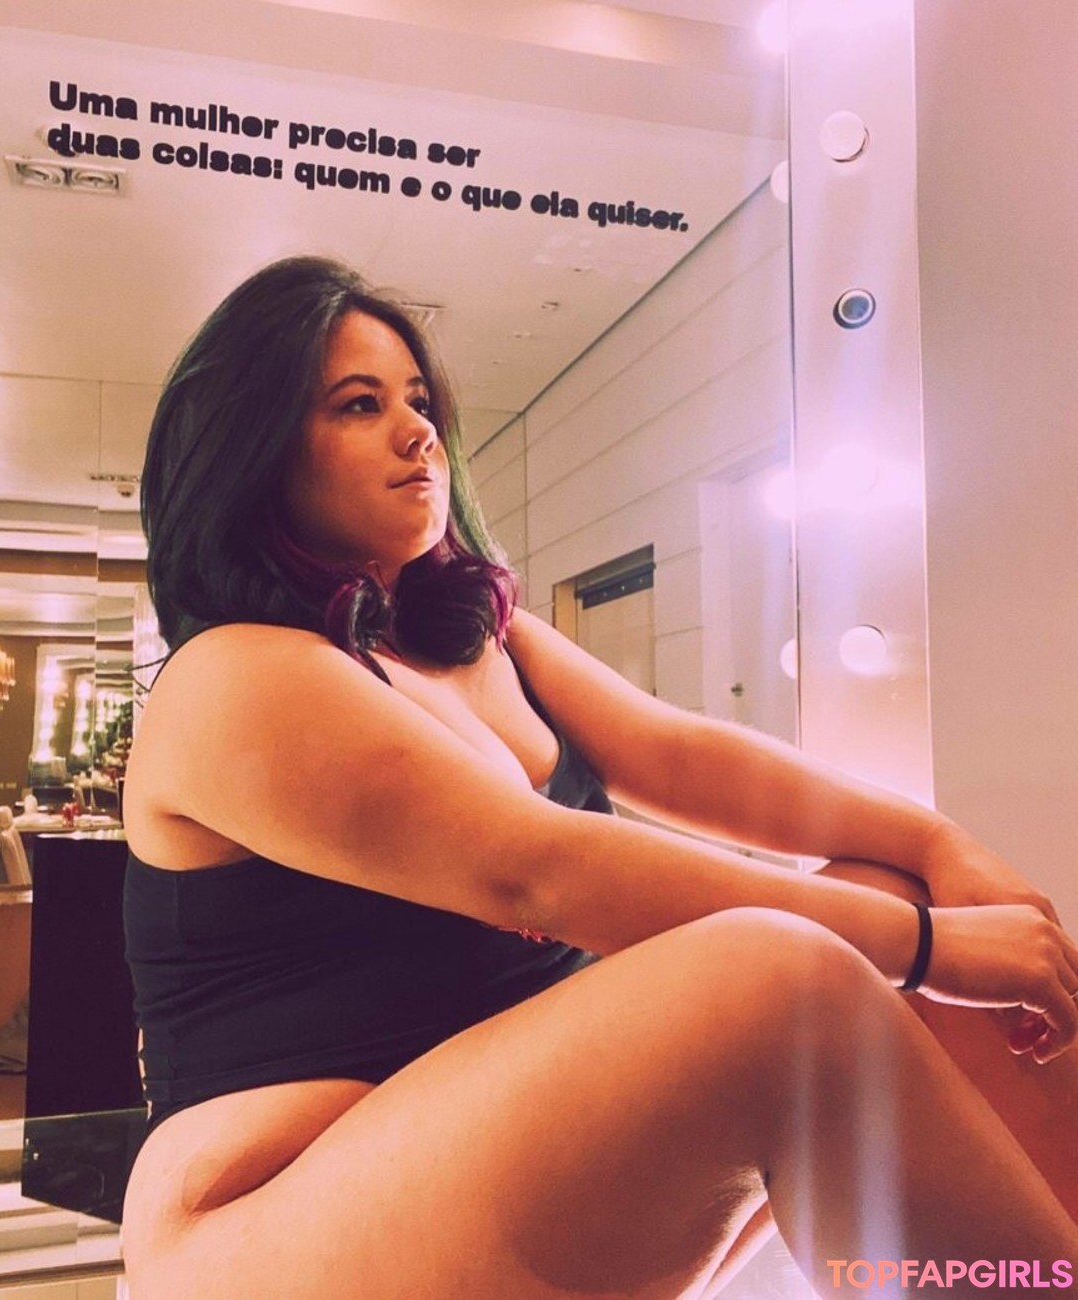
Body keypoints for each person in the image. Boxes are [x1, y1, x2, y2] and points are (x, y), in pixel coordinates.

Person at [120, 255, 1078, 1299]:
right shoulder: (235, 675)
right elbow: (539, 870)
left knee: (886, 895)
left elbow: (678, 753)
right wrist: (933, 948)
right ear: (252, 448)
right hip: (269, 1215)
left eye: (420, 399)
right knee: (787, 977)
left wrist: (937, 850)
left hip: (510, 1141)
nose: (418, 432)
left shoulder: (473, 639)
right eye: (359, 404)